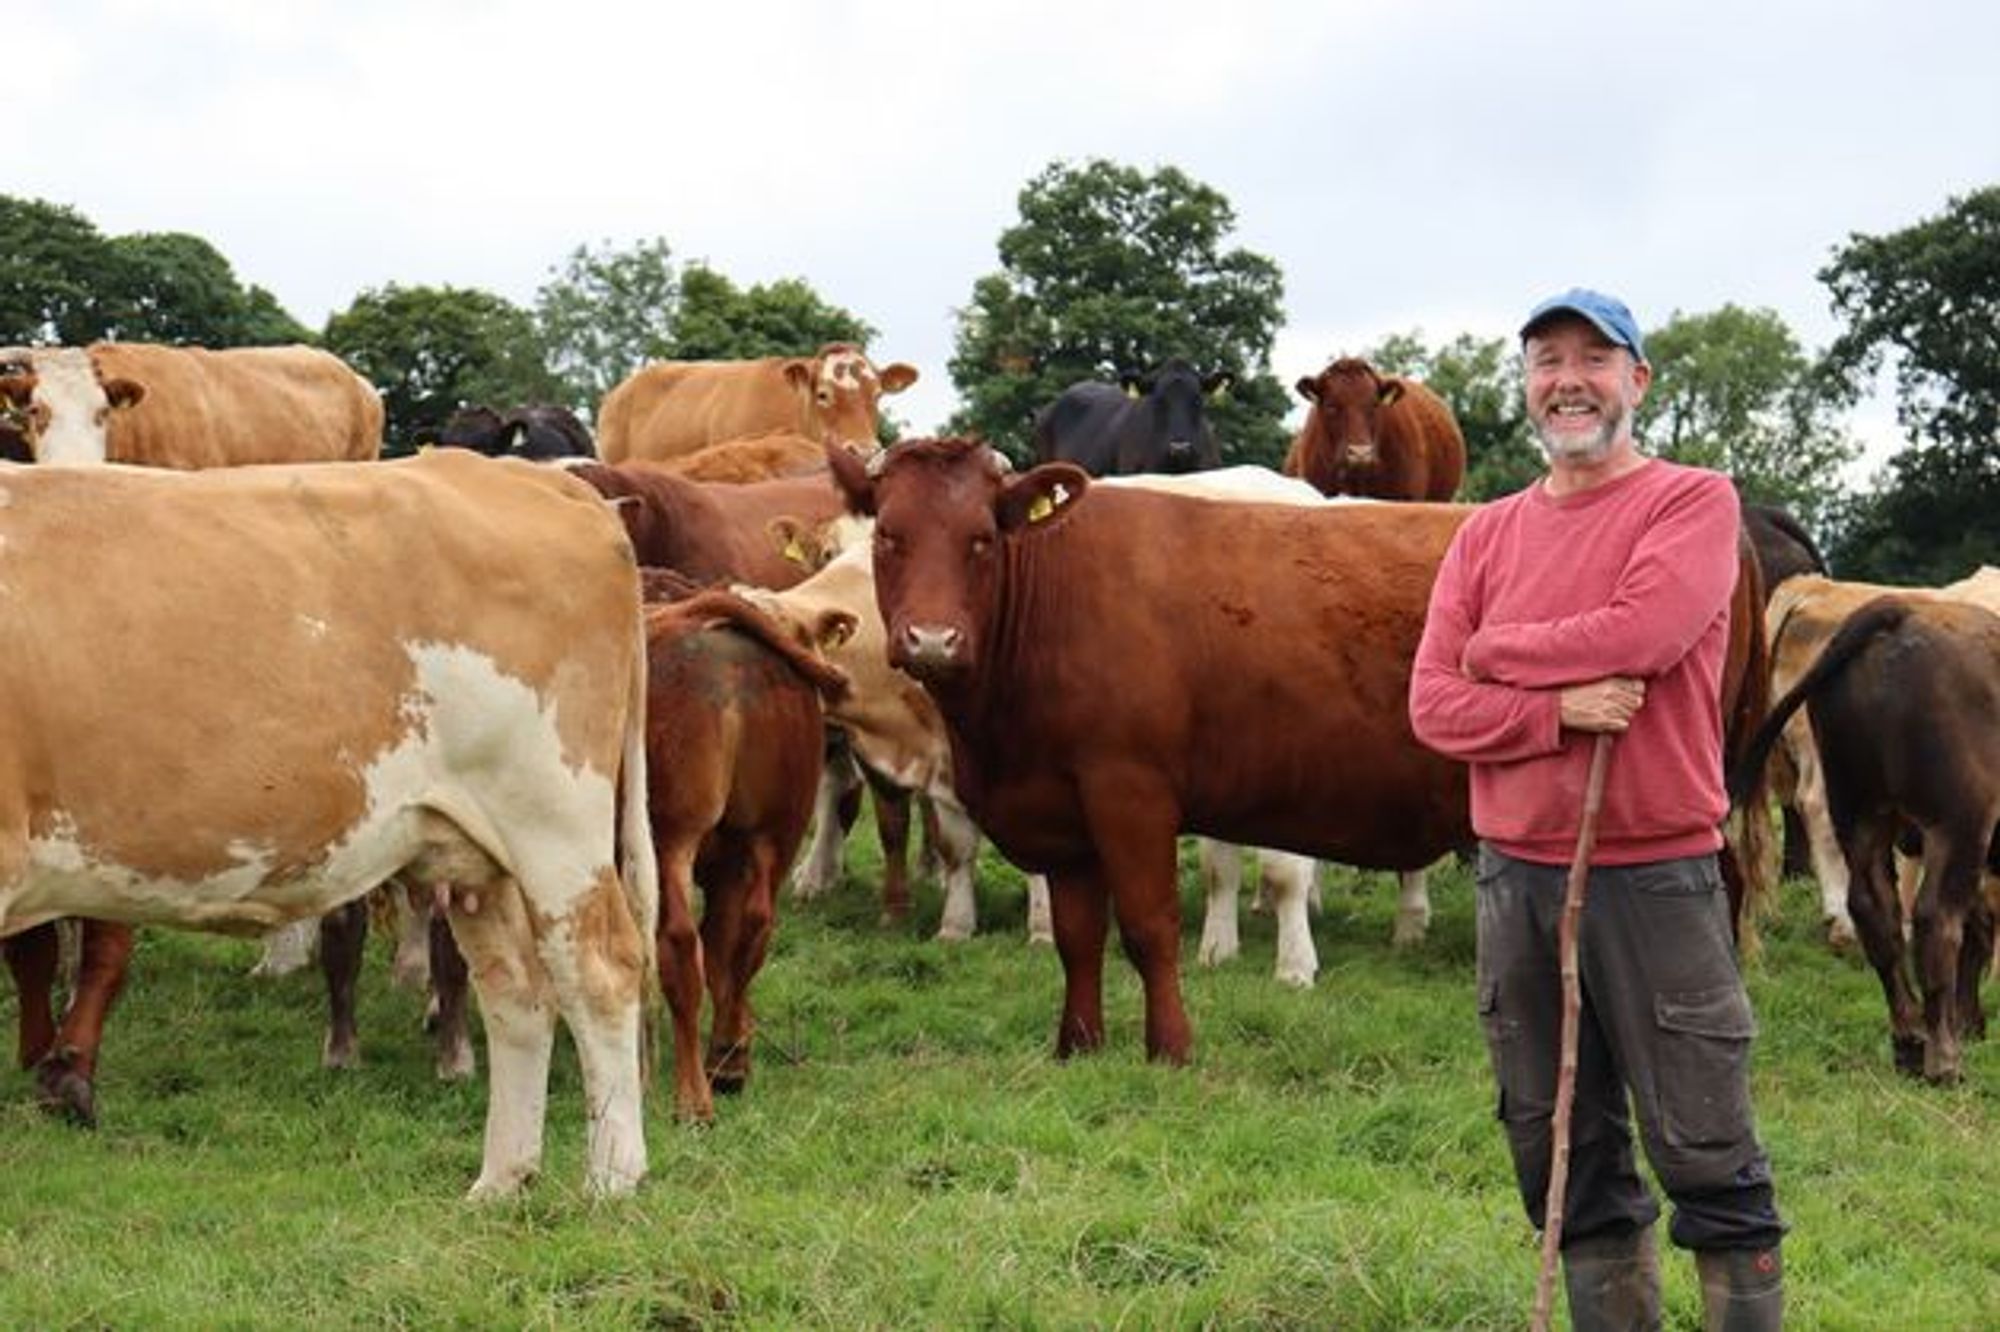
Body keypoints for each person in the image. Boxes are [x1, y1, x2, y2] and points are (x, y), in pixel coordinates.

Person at [1408, 289, 1786, 1331]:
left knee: (1705, 1143)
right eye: (1544, 359)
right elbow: (1429, 704)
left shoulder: (1690, 502)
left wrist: (1495, 654)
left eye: (1592, 357)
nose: (1566, 378)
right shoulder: (1483, 534)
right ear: (1524, 384)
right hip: (1510, 877)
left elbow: (1645, 632)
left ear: (1635, 381)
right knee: (1554, 1145)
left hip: (1654, 872)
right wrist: (1550, 711)